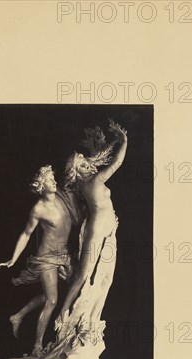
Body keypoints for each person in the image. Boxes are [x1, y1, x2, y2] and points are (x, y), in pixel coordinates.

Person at [0, 165, 82, 356]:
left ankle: (17, 316)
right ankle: (37, 346)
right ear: (41, 186)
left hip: (65, 255)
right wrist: (13, 259)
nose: (54, 182)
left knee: (53, 294)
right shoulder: (38, 209)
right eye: (50, 180)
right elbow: (26, 234)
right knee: (52, 300)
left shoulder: (63, 196)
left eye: (53, 178)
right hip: (46, 257)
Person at [56, 120, 128, 335]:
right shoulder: (93, 183)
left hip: (107, 230)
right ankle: (64, 312)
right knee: (84, 274)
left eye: (87, 164)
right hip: (97, 231)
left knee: (106, 278)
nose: (89, 166)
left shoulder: (88, 184)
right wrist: (124, 141)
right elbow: (116, 164)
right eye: (83, 166)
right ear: (77, 172)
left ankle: (90, 325)